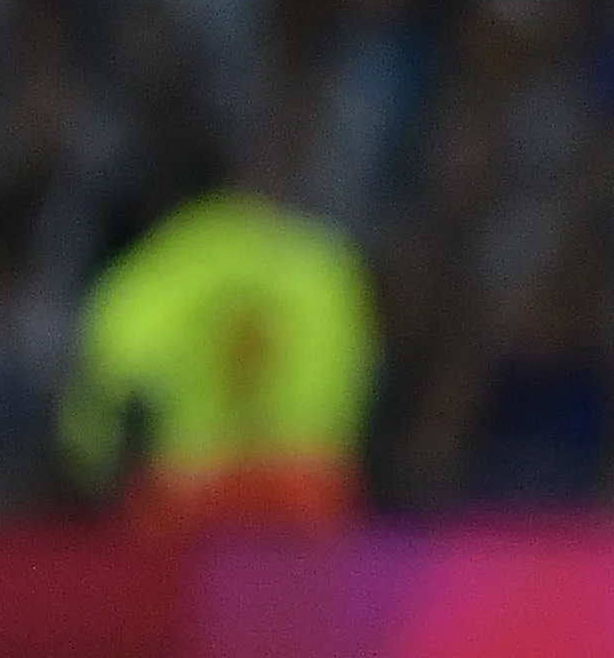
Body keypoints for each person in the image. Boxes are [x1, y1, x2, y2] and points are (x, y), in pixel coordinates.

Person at [61, 177, 379, 529]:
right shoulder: (326, 264)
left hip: (192, 491)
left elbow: (107, 398)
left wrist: (93, 469)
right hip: (307, 492)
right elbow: (359, 378)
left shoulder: (160, 268)